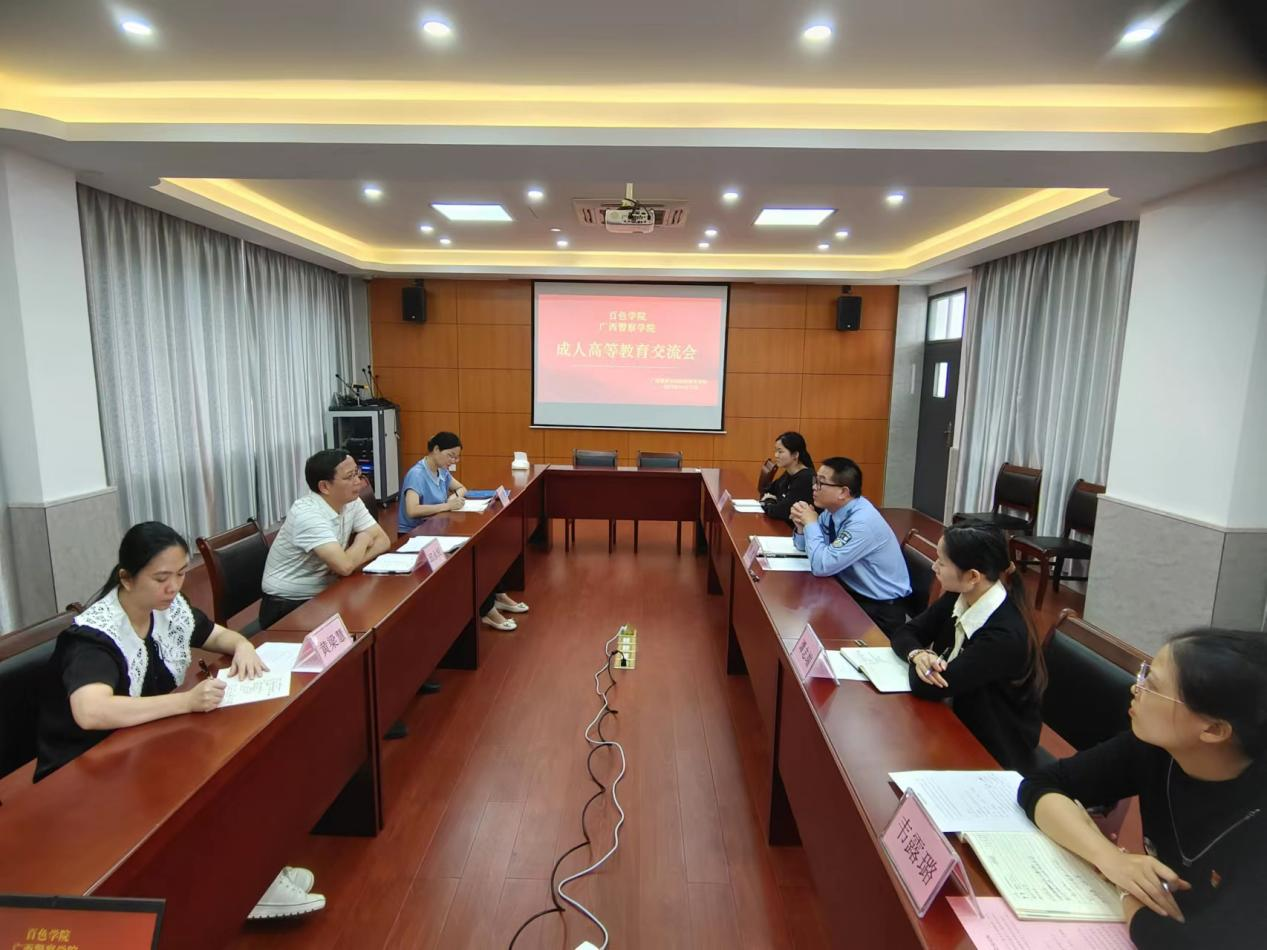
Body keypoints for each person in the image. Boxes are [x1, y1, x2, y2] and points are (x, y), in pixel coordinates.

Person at [35, 522, 325, 919]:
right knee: (211, 778)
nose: (173, 588)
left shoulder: (167, 610)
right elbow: (91, 711)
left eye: (181, 574)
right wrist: (185, 702)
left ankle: (257, 870)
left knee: (240, 759)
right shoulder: (96, 637)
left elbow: (218, 636)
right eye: (161, 578)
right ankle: (244, 888)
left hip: (137, 740)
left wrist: (243, 646)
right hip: (86, 766)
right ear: (126, 578)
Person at [1018, 629, 1266, 945]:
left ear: (1214, 730)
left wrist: (1125, 891)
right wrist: (1112, 860)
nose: (1136, 688)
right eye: (1144, 673)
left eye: (1154, 686)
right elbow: (1041, 785)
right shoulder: (1157, 748)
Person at [888, 521, 1046, 773]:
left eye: (942, 562)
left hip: (992, 751)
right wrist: (918, 655)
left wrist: (924, 665)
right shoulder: (960, 595)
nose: (934, 566)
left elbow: (929, 686)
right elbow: (906, 632)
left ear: (973, 576)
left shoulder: (1004, 636)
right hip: (953, 718)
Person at [398, 431, 529, 631]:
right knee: (470, 560)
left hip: (437, 530)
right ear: (436, 450)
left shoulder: (441, 471)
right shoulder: (417, 474)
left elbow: (462, 488)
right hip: (415, 536)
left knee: (484, 550)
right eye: (450, 455)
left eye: (456, 457)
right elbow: (412, 509)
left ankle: (497, 595)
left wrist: (454, 497)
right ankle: (487, 610)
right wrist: (446, 505)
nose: (453, 461)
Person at [259, 448, 391, 629]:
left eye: (357, 473)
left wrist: (350, 561)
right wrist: (363, 538)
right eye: (349, 476)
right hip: (289, 604)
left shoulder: (350, 501)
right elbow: (344, 567)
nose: (358, 481)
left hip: (326, 590)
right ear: (324, 487)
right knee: (361, 622)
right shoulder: (307, 514)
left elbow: (383, 541)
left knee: (380, 611)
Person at [789, 456, 911, 634]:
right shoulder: (833, 511)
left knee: (809, 624)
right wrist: (802, 527)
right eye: (815, 480)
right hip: (851, 592)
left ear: (843, 492)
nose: (814, 487)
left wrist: (811, 524)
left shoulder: (861, 523)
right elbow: (807, 548)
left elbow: (822, 566)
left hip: (879, 609)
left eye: (821, 483)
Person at [757, 431, 815, 523]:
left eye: (780, 451)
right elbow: (767, 490)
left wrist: (769, 502)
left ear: (795, 455)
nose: (776, 455)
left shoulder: (805, 478)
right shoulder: (789, 472)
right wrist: (772, 501)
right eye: (776, 451)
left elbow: (781, 511)